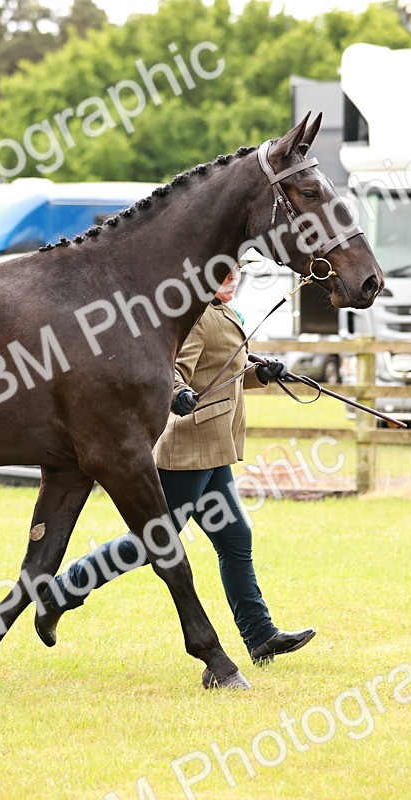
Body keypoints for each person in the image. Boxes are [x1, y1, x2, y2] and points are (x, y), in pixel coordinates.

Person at [34, 269, 315, 665]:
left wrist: (261, 375)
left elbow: (225, 374)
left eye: (239, 272)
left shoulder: (225, 312)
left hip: (215, 450)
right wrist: (178, 393)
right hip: (189, 450)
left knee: (235, 540)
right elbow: (173, 371)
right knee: (152, 543)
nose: (234, 278)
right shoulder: (197, 317)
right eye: (225, 271)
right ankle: (63, 590)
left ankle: (261, 635)